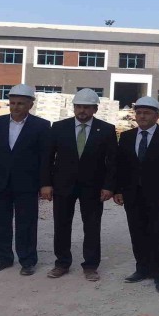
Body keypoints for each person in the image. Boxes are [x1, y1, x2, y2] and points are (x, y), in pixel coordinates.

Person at [40, 88, 117, 281]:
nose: (82, 110)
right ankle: (62, 263)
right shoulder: (59, 127)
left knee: (92, 226)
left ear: (95, 109)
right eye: (79, 106)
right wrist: (46, 184)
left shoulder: (106, 130)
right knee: (61, 225)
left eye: (87, 107)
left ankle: (90, 265)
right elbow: (47, 158)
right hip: (63, 185)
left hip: (93, 187)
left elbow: (113, 162)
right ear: (74, 107)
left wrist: (109, 186)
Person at [114, 96, 159, 294]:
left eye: (147, 113)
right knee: (137, 232)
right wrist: (118, 190)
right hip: (133, 194)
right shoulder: (127, 137)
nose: (142, 116)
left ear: (157, 116)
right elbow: (120, 166)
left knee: (158, 233)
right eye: (139, 113)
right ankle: (142, 268)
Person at [0, 85, 50, 276]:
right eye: (13, 103)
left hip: (27, 183)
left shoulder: (41, 126)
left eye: (21, 104)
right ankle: (3, 258)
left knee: (26, 223)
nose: (16, 107)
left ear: (30, 104)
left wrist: (44, 183)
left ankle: (27, 260)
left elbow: (45, 158)